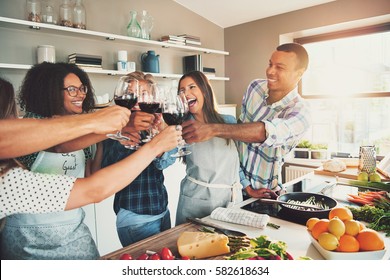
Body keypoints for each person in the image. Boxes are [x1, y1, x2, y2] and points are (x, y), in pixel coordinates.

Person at [0, 64, 173, 260]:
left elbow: (91, 173)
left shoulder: (85, 131)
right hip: (28, 239)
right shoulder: (31, 127)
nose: (80, 94)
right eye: (71, 89)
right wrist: (140, 139)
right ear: (50, 92)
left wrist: (117, 132)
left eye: (82, 88)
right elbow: (59, 145)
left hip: (74, 232)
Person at [181, 43, 311, 197]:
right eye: (270, 64)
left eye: (280, 67)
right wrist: (245, 185)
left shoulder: (301, 112)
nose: (270, 71)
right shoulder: (254, 88)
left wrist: (213, 129)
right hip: (235, 188)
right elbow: (238, 144)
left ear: (299, 73)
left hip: (264, 193)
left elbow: (267, 133)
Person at [101, 71, 176, 247]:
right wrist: (123, 137)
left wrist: (158, 136)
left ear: (151, 97)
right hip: (136, 218)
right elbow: (107, 169)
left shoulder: (155, 124)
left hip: (162, 211)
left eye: (142, 94)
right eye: (131, 93)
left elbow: (165, 162)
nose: (136, 100)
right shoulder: (114, 128)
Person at [174, 71, 250, 225]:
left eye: (191, 87)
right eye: (181, 91)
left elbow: (236, 164)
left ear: (204, 90)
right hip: (196, 202)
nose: (186, 93)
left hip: (230, 200)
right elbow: (162, 162)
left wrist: (247, 187)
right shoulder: (182, 127)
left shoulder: (228, 122)